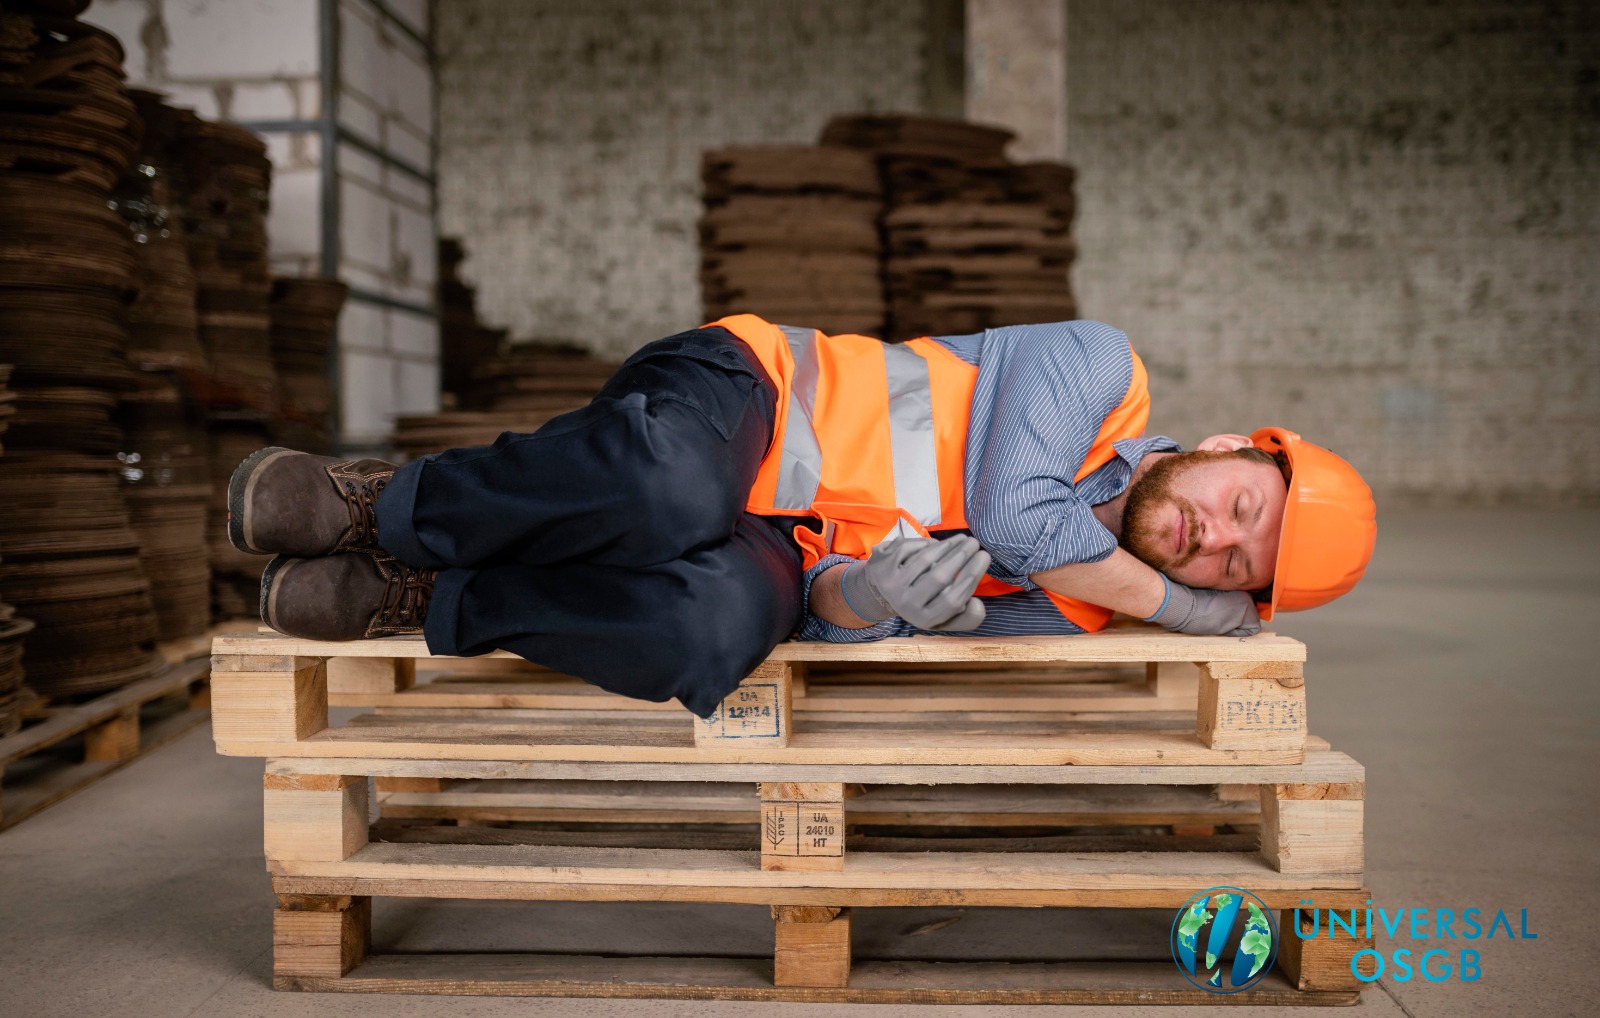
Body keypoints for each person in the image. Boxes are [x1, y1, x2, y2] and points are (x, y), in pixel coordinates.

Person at [230, 314, 1376, 717]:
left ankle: (429, 594)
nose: (1211, 539)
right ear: (1230, 446)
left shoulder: (1071, 617)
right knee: (669, 490)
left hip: (779, 546)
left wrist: (869, 602)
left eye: (1237, 564)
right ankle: (384, 504)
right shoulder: (1099, 370)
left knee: (705, 637)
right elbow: (1015, 517)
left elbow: (827, 616)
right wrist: (1182, 609)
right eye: (1239, 505)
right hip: (749, 394)